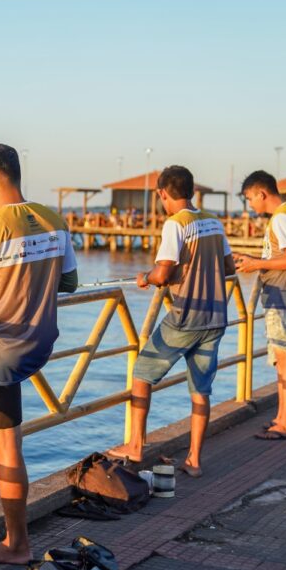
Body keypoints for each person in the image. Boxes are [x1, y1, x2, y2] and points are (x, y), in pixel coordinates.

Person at [0, 143, 78, 564]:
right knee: (4, 426)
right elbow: (70, 283)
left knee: (9, 449)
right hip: (39, 345)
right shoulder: (53, 220)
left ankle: (16, 544)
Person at [105, 166, 235, 475]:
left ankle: (135, 446)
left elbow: (162, 273)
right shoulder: (214, 223)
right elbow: (228, 267)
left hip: (185, 316)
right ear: (191, 190)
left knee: (141, 374)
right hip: (216, 316)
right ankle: (194, 460)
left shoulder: (175, 225)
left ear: (163, 193)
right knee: (201, 390)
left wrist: (145, 277)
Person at [233, 171, 286, 441]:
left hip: (284, 296)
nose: (250, 204)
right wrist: (253, 258)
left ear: (261, 194)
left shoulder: (281, 219)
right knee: (281, 358)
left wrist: (256, 264)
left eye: (249, 199)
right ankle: (281, 417)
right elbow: (284, 255)